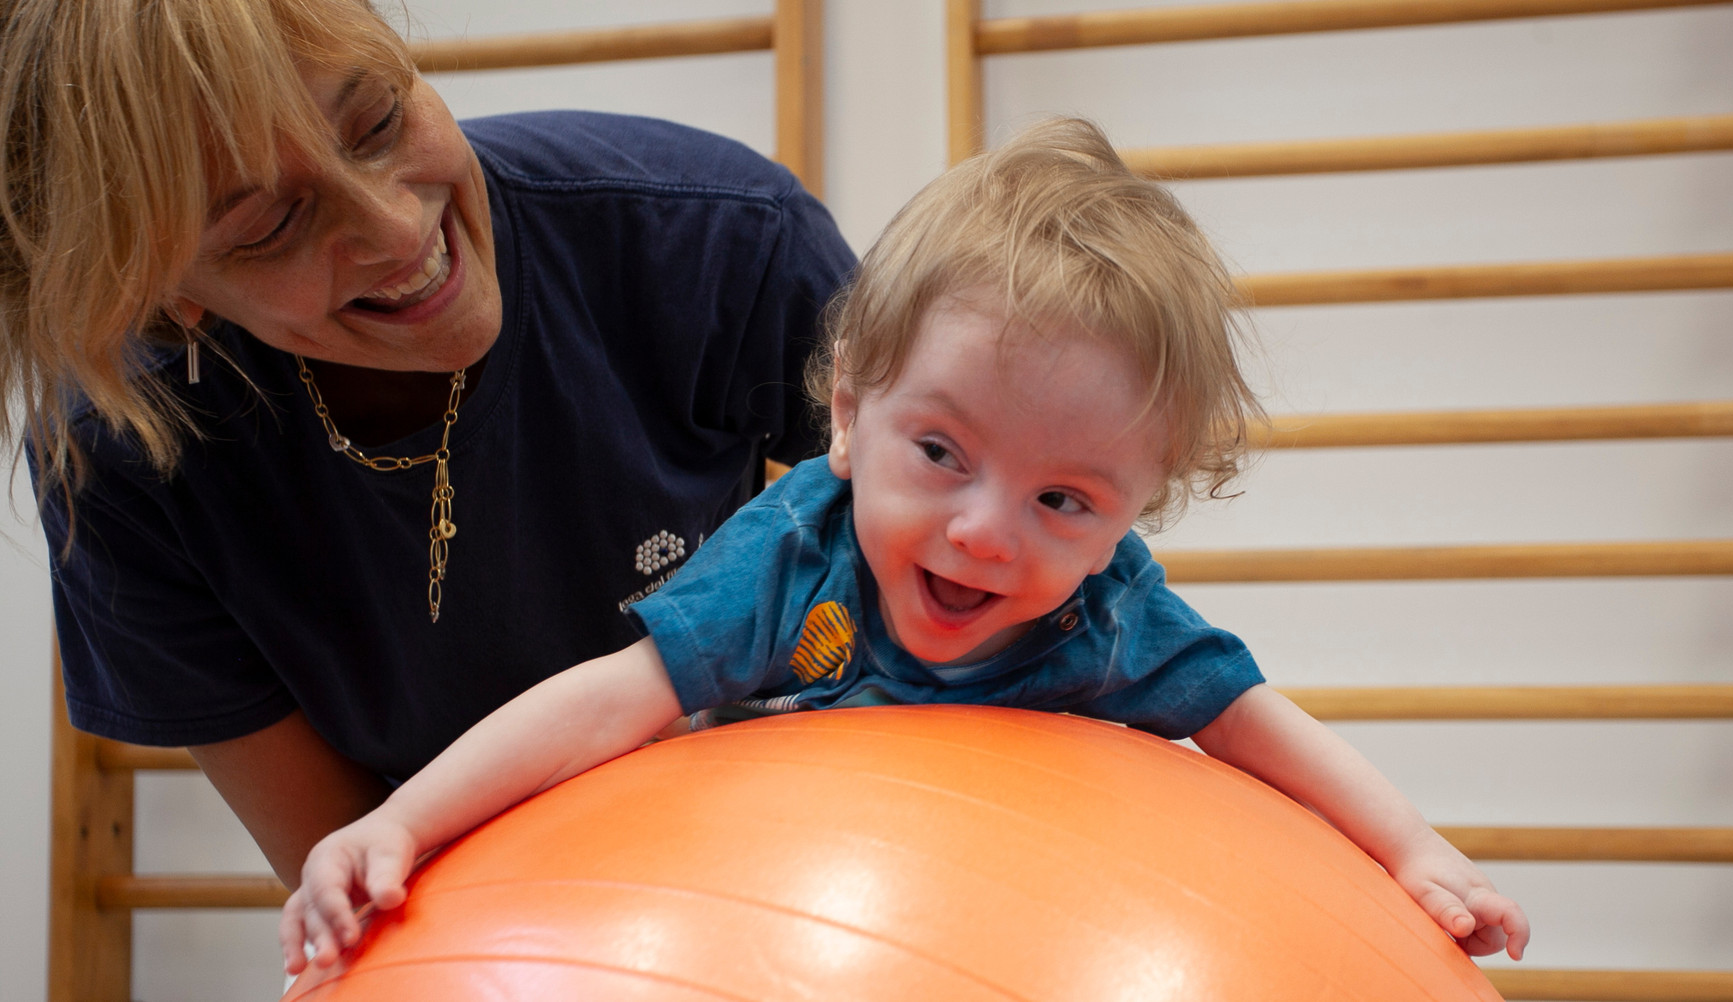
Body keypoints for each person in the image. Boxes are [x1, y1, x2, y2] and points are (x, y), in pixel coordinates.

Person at [280, 117, 1531, 974]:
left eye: (1065, 504)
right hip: (785, 920)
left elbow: (1259, 723)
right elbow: (609, 701)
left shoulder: (1108, 614)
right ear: (848, 413)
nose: (985, 533)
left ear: (1128, 523)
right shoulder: (791, 555)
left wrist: (1417, 853)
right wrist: (404, 823)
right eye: (941, 454)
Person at [3, 0, 854, 885]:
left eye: (378, 121)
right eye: (270, 225)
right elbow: (349, 868)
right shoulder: (122, 449)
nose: (395, 228)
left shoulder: (716, 235)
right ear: (173, 292)